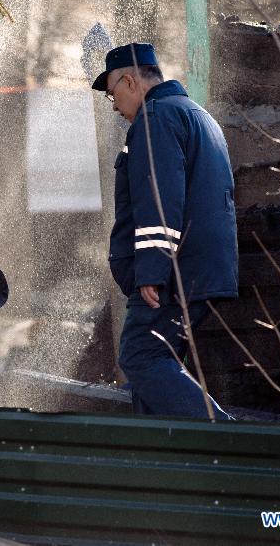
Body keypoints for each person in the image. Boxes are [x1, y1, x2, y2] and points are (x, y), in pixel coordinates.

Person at [91, 42, 237, 420]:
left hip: (174, 275)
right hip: (202, 271)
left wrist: (153, 272)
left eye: (112, 94)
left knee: (140, 356)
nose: (114, 105)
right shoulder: (195, 114)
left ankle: (232, 441)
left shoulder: (155, 118)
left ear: (129, 80)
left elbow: (160, 199)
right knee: (157, 372)